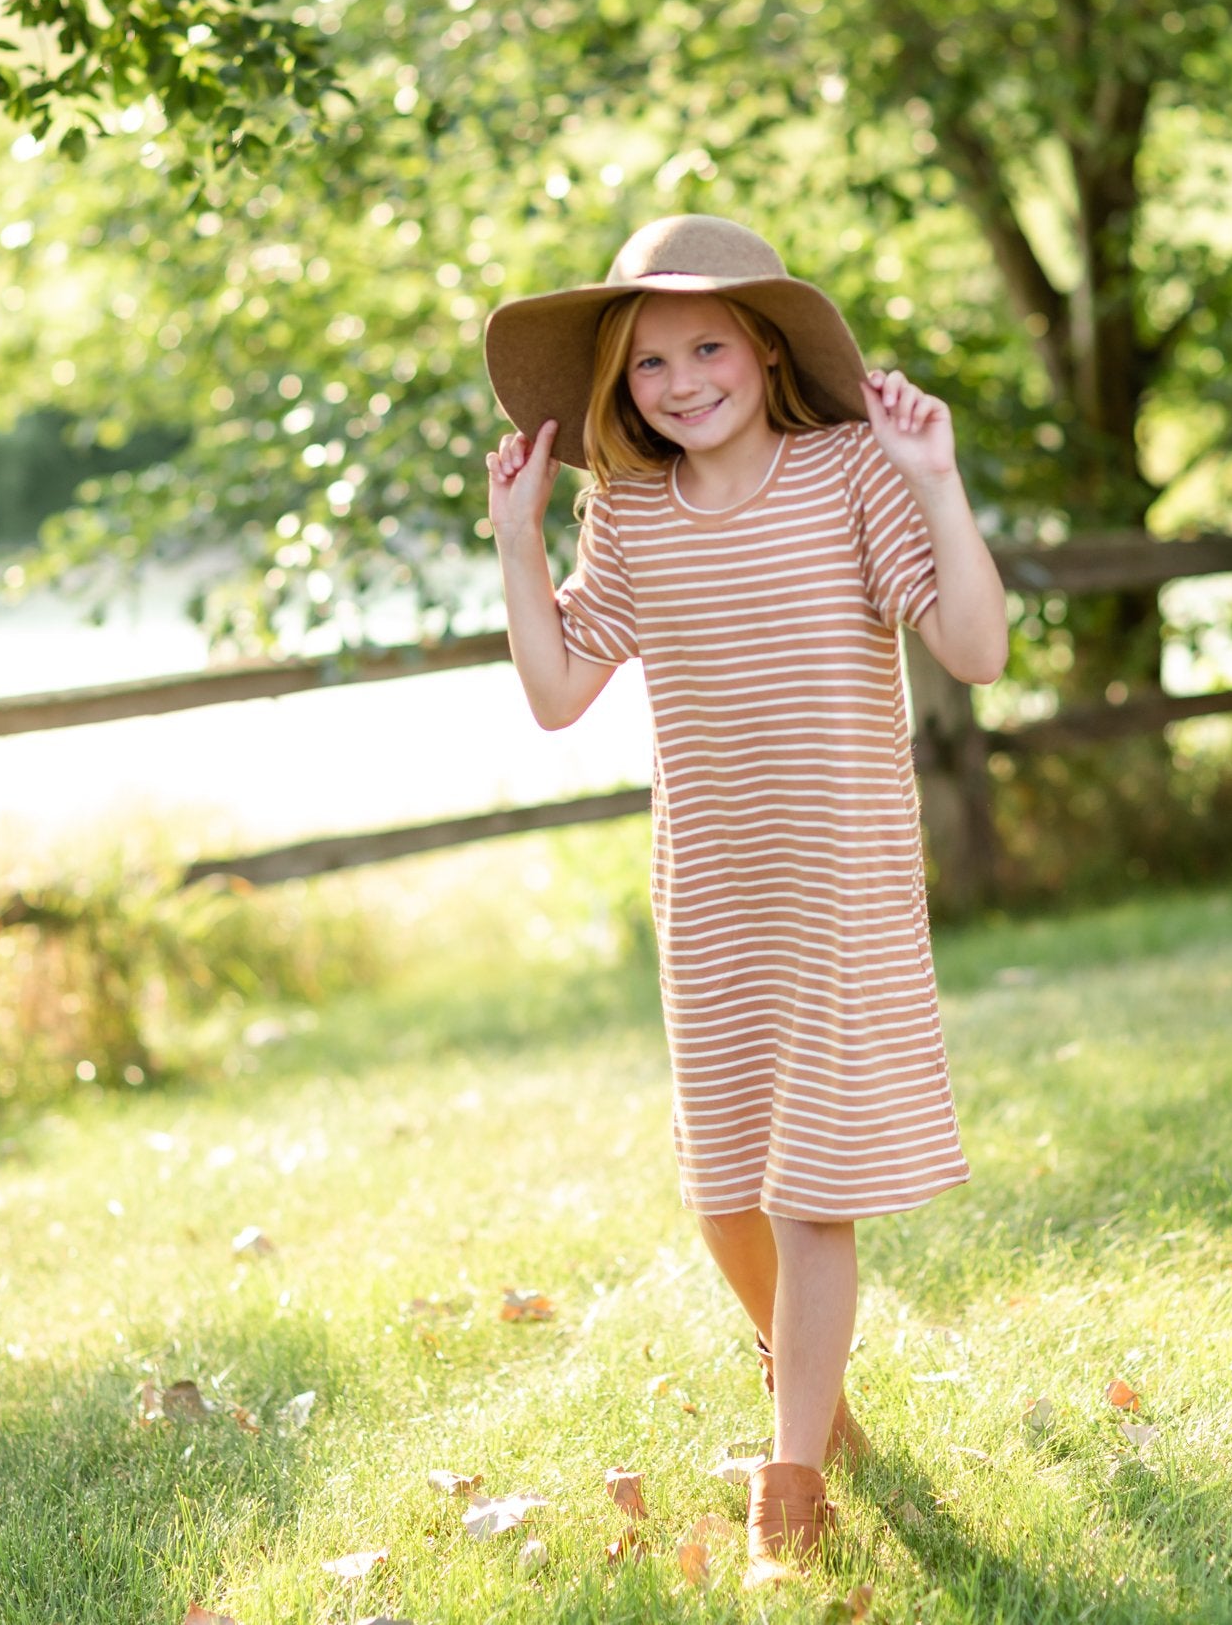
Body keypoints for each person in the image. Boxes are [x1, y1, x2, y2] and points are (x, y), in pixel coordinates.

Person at [484, 215, 1007, 1583]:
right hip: (712, 883)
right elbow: (554, 696)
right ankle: (818, 1411)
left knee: (808, 1192)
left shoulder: (851, 472)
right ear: (622, 383)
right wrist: (516, 543)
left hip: (842, 875)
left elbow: (979, 647)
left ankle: (791, 1491)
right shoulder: (634, 510)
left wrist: (938, 481)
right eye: (650, 359)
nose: (680, 378)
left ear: (767, 351)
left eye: (707, 343)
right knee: (722, 1189)